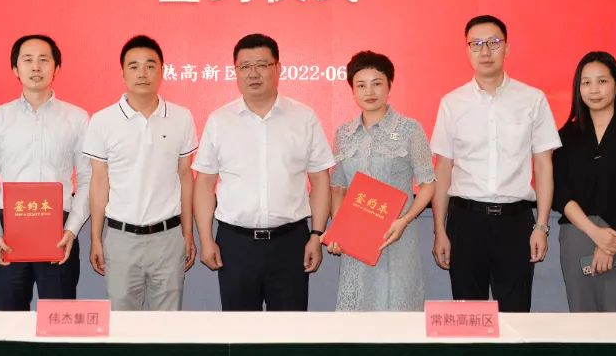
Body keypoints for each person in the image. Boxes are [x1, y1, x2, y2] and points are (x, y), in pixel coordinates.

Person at [193, 34, 335, 311]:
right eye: (245, 66)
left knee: (289, 329)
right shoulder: (220, 120)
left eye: (262, 65)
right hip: (235, 244)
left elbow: (320, 180)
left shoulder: (303, 117)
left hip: (290, 243)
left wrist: (316, 235)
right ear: (235, 71)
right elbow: (204, 184)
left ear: (278, 68)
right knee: (239, 329)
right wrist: (206, 239)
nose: (253, 73)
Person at [430, 15, 561, 312]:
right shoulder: (452, 103)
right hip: (466, 221)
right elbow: (443, 169)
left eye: (493, 42)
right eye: (476, 44)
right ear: (467, 50)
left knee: (516, 314)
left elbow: (543, 167)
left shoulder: (532, 100)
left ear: (507, 48)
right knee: (468, 315)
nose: (485, 51)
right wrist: (440, 230)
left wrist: (541, 226)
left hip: (515, 222)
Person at [0, 34, 91, 311]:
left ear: (56, 68)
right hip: (9, 233)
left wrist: (72, 229)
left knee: (60, 318)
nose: (36, 67)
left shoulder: (76, 118)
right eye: (27, 60)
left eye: (43, 60)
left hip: (58, 231)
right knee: (8, 320)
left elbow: (88, 178)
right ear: (15, 69)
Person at [82, 35, 198, 310]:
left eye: (150, 65)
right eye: (134, 66)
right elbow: (99, 182)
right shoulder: (102, 120)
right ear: (122, 73)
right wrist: (95, 238)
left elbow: (185, 177)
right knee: (122, 324)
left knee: (167, 325)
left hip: (168, 237)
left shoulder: (181, 117)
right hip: (121, 238)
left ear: (162, 70)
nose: (142, 73)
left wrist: (188, 232)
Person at [327, 51, 436, 311]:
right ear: (352, 91)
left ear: (389, 86)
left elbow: (428, 184)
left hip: (397, 236)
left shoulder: (410, 129)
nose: (369, 92)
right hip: (357, 241)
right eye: (361, 85)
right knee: (357, 313)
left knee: (397, 307)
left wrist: (404, 221)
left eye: (377, 83)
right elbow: (338, 187)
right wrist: (339, 231)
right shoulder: (344, 134)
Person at [552, 51, 616, 312]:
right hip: (578, 234)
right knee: (583, 320)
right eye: (586, 83)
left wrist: (609, 244)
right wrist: (594, 232)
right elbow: (561, 194)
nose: (594, 90)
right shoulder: (565, 136)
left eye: (602, 81)